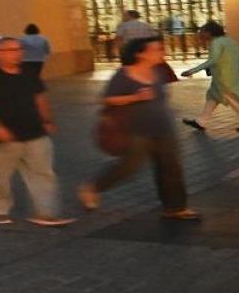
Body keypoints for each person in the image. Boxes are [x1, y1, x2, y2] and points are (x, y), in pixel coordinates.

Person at [80, 35, 197, 221]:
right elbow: (107, 99)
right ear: (140, 54)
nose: (161, 52)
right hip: (137, 130)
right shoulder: (123, 74)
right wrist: (135, 98)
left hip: (163, 127)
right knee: (129, 167)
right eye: (156, 49)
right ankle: (93, 187)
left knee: (171, 167)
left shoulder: (158, 71)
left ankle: (175, 208)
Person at [0, 37, 73, 227]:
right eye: (11, 50)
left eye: (19, 49)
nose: (17, 53)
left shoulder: (29, 72)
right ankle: (0, 210)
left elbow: (39, 97)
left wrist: (47, 119)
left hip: (34, 132)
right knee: (0, 177)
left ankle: (45, 212)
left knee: (42, 173)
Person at [181, 20, 239, 133]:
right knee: (212, 97)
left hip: (223, 80)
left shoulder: (216, 43)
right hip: (228, 78)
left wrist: (192, 71)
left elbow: (213, 60)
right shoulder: (230, 41)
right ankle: (200, 122)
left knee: (234, 101)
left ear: (210, 32)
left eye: (202, 31)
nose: (200, 34)